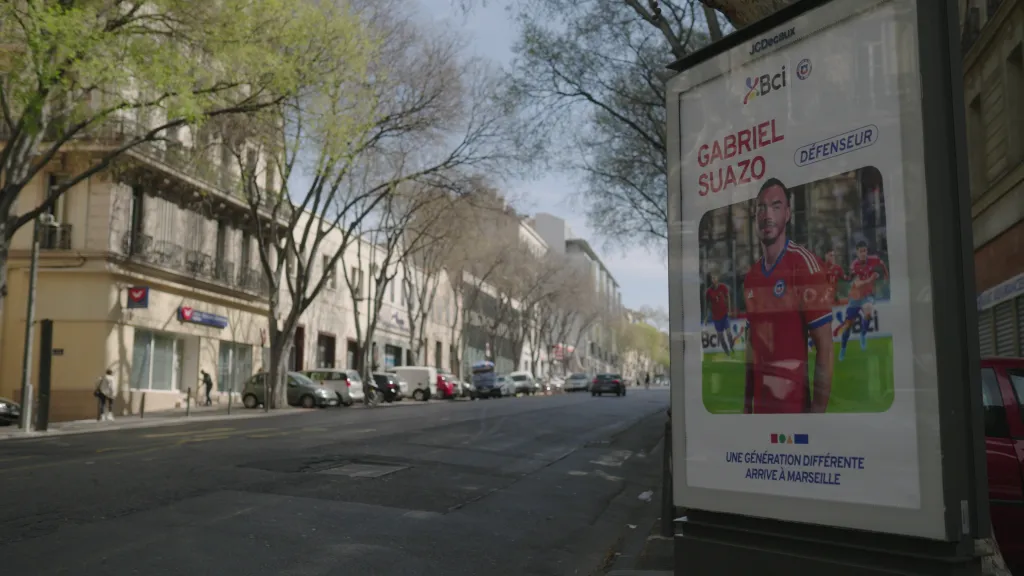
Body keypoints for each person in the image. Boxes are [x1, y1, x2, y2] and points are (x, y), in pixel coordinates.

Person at [742, 178, 834, 414]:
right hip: (761, 415)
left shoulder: (805, 265)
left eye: (775, 206)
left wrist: (817, 416)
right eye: (761, 208)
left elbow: (824, 346)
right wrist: (746, 408)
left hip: (795, 414)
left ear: (788, 214)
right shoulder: (751, 277)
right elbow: (753, 347)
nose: (767, 214)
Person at [834, 240, 889, 361]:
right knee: (848, 326)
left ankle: (863, 334)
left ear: (867, 251)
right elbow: (857, 283)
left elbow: (882, 263)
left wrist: (886, 275)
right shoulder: (854, 266)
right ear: (857, 253)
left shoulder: (873, 259)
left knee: (868, 310)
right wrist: (871, 278)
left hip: (867, 295)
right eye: (860, 251)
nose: (863, 253)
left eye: (864, 251)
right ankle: (843, 348)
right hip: (855, 297)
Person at [704, 272, 735, 356]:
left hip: (724, 315)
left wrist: (728, 310)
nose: (713, 280)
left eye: (715, 278)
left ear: (717, 279)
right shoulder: (709, 291)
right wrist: (707, 316)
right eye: (712, 278)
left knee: (728, 333)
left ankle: (732, 346)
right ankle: (727, 352)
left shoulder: (723, 287)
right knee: (721, 337)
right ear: (711, 280)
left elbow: (728, 297)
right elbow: (707, 304)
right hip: (716, 318)